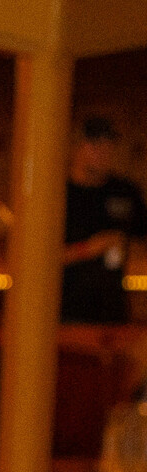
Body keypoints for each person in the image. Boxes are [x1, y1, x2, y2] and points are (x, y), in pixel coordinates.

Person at [62, 115, 140, 328]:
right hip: (66, 312)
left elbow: (140, 238)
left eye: (108, 145)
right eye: (95, 145)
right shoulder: (58, 194)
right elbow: (37, 258)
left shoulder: (125, 191)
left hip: (113, 312)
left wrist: (125, 246)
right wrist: (89, 248)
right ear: (76, 147)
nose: (103, 152)